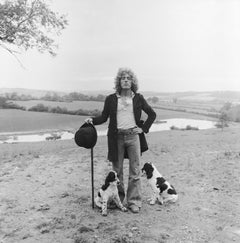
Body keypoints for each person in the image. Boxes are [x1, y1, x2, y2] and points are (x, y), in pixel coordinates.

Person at [85, 67, 156, 213]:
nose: (125, 80)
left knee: (135, 170)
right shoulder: (111, 99)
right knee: (117, 171)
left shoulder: (139, 98)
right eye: (122, 78)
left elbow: (152, 114)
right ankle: (118, 200)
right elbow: (104, 117)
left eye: (128, 78)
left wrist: (143, 129)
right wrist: (92, 120)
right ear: (119, 81)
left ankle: (134, 202)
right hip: (116, 138)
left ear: (132, 81)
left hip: (133, 137)